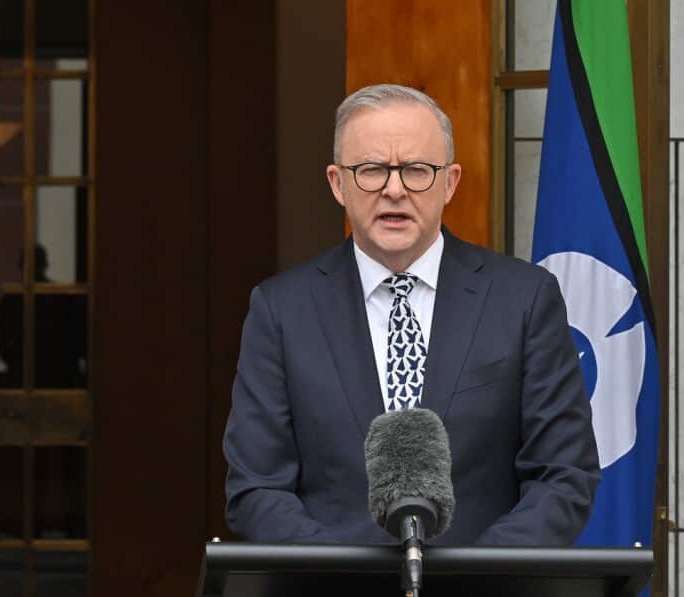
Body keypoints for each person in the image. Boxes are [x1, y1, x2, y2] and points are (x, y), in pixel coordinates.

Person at [223, 84, 599, 545]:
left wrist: (482, 578)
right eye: (372, 170)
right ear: (337, 184)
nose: (394, 189)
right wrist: (340, 580)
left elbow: (563, 475)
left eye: (417, 170)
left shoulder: (524, 299)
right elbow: (256, 488)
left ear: (451, 181)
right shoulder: (281, 311)